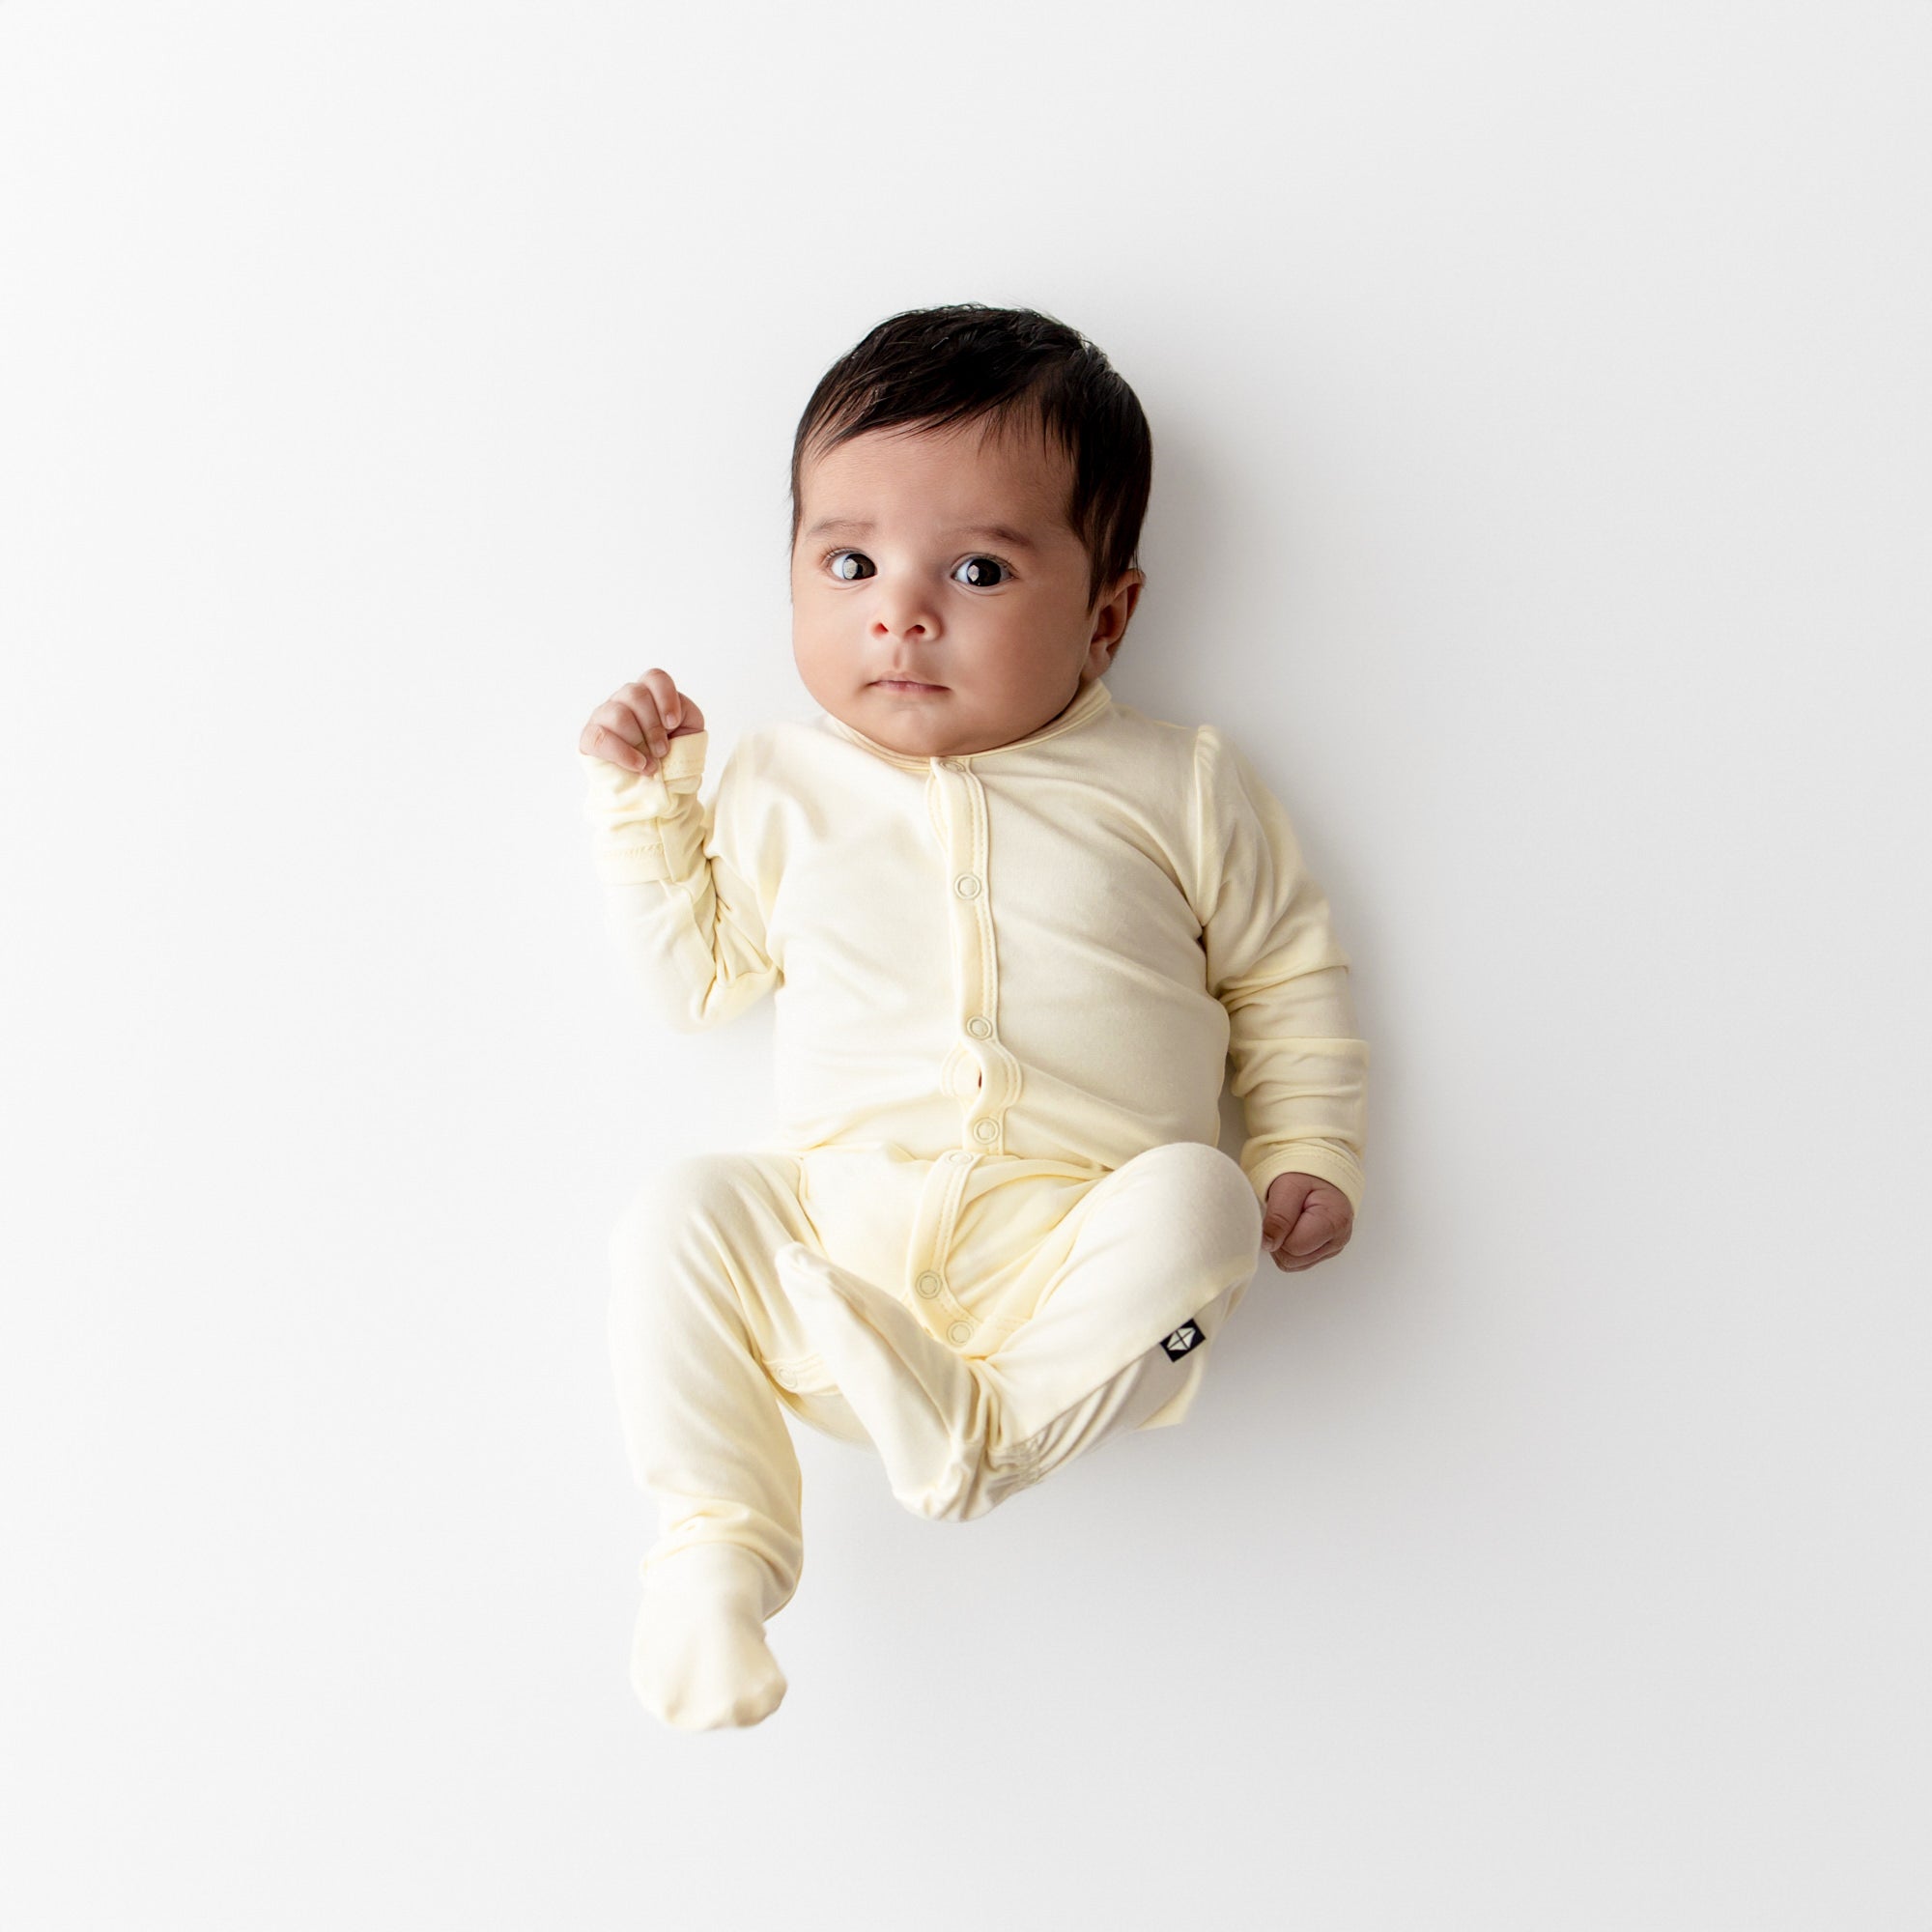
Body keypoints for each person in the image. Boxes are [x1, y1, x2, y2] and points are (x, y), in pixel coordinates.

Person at [574, 302, 1370, 1731]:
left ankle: (982, 1436)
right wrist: (650, 810)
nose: (901, 610)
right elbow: (696, 981)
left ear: (1107, 615)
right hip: (840, 1263)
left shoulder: (1178, 783)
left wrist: (1311, 1146)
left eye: (981, 568)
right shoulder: (775, 786)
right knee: (681, 1214)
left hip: (1071, 1275)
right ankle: (716, 1545)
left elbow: (1285, 974)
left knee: (1205, 1202)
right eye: (850, 561)